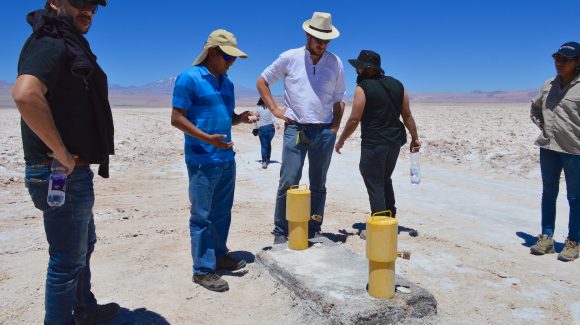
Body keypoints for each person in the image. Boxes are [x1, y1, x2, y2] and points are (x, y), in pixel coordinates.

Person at [11, 0, 119, 323]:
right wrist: (60, 152)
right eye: (79, 2)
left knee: (83, 245)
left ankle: (84, 308)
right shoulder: (50, 41)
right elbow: (25, 94)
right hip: (60, 172)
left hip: (70, 172)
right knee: (66, 261)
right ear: (55, 2)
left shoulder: (66, 41)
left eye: (93, 5)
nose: (87, 9)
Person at [171, 29, 257, 292]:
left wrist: (239, 118)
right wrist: (208, 139)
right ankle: (202, 270)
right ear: (212, 52)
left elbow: (225, 117)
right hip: (202, 160)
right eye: (228, 57)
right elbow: (177, 118)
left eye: (234, 59)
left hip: (225, 158)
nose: (231, 63)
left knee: (222, 212)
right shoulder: (189, 78)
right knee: (202, 216)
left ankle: (219, 256)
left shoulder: (227, 83)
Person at [256, 12, 346, 244]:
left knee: (318, 184)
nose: (322, 44)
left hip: (324, 131)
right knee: (289, 180)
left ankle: (313, 227)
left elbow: (339, 99)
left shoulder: (335, 63)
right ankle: (280, 230)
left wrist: (334, 128)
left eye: (326, 41)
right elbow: (262, 81)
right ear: (308, 35)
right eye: (318, 39)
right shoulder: (290, 57)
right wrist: (275, 109)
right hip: (295, 129)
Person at [335, 50, 420, 232]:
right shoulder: (399, 85)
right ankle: (390, 216)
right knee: (384, 178)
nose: (356, 71)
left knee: (373, 179)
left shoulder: (362, 88)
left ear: (368, 69)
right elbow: (407, 114)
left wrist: (341, 139)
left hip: (374, 141)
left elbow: (354, 119)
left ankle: (380, 227)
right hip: (395, 141)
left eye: (358, 67)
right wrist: (415, 137)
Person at [529, 41, 580, 262]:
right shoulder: (548, 85)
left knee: (575, 197)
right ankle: (546, 238)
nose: (559, 63)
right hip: (549, 148)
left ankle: (574, 241)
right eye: (556, 59)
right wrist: (545, 128)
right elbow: (535, 107)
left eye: (564, 60)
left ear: (577, 62)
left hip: (574, 149)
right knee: (548, 193)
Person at [255, 97, 280, 169]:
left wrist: (255, 127)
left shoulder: (259, 108)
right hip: (271, 128)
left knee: (264, 145)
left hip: (263, 128)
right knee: (268, 143)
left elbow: (255, 118)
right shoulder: (270, 108)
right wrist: (277, 124)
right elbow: (273, 118)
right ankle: (268, 158)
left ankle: (264, 161)